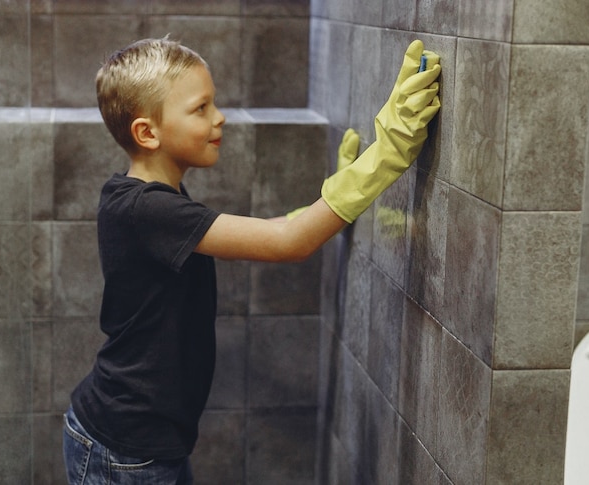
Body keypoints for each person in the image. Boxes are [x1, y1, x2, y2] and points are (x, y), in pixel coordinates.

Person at [63, 36, 441, 484]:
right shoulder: (145, 209)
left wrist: (345, 188)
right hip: (123, 450)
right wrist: (387, 153)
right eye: (201, 108)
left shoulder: (152, 200)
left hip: (143, 442)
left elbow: (279, 229)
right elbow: (287, 242)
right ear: (148, 132)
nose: (219, 117)